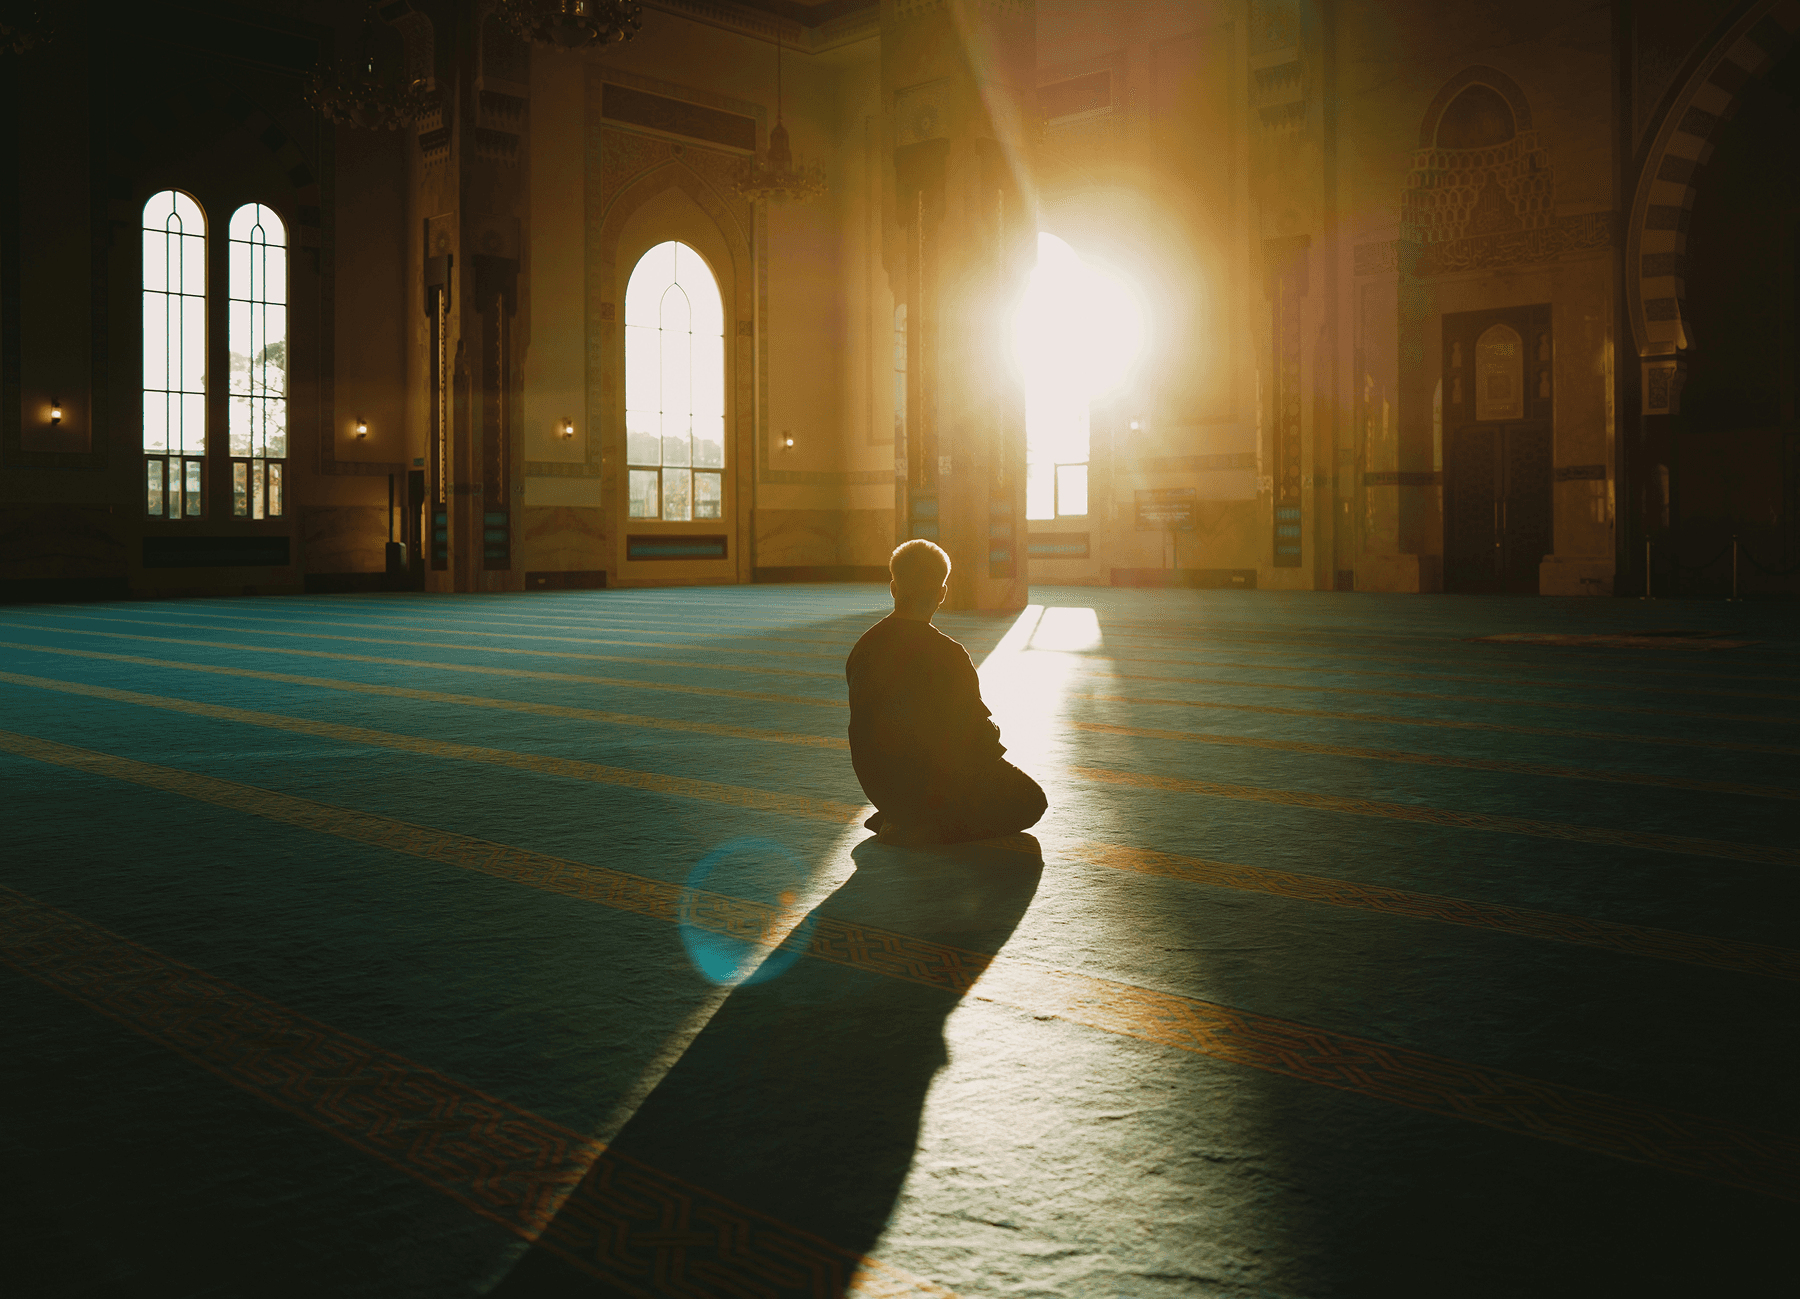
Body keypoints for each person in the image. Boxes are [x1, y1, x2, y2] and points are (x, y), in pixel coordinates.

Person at [846, 539, 1048, 847]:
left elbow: (863, 729)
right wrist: (993, 733)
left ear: (893, 588)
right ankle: (929, 828)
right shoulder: (950, 655)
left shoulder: (863, 648)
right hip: (935, 789)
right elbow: (977, 741)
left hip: (881, 787)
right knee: (1031, 800)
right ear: (942, 594)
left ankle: (898, 817)